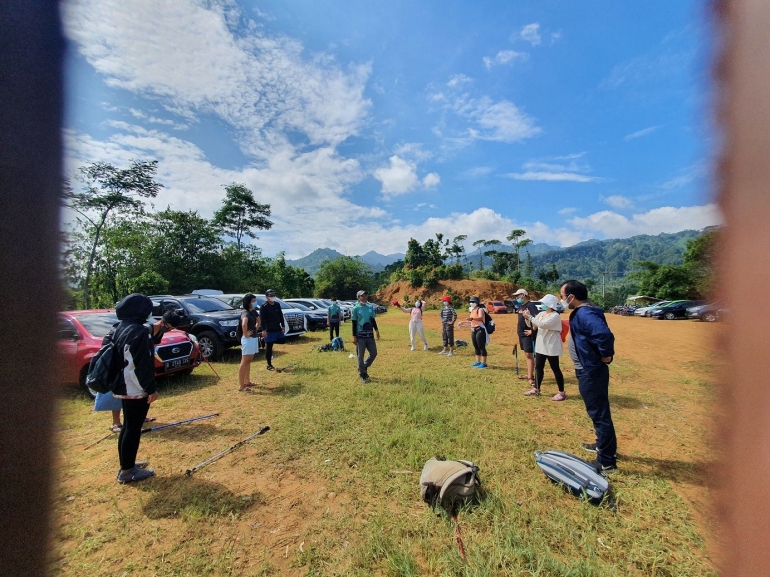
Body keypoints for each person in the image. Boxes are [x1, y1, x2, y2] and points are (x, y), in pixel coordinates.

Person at [560, 279, 618, 473]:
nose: (562, 300)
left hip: (591, 371)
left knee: (600, 414)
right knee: (597, 413)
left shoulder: (585, 312)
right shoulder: (584, 311)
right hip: (587, 368)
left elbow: (603, 335)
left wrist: (605, 355)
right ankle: (602, 445)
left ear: (572, 297)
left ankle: (607, 462)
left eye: (563, 296)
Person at [111, 293, 161, 484]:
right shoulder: (139, 332)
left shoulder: (122, 328)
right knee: (133, 428)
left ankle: (127, 463)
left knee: (128, 427)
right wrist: (151, 389)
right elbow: (141, 365)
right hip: (134, 386)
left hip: (124, 384)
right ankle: (128, 471)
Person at [522, 294, 566, 400]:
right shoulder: (541, 314)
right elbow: (533, 326)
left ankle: (561, 392)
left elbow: (543, 325)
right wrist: (527, 318)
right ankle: (536, 388)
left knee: (555, 368)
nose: (542, 304)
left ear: (549, 304)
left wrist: (530, 317)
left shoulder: (555, 315)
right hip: (541, 345)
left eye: (543, 303)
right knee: (539, 367)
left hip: (551, 345)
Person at [351, 289, 380, 383]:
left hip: (369, 335)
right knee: (360, 355)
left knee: (374, 353)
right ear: (358, 298)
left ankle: (364, 366)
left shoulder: (370, 307)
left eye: (365, 295)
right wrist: (354, 336)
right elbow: (354, 323)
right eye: (362, 296)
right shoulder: (355, 308)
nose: (364, 297)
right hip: (360, 336)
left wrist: (376, 330)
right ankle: (363, 374)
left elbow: (372, 320)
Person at [514, 288, 539, 386]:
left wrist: (532, 330)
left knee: (529, 355)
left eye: (517, 296)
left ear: (523, 295)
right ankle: (529, 374)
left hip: (528, 334)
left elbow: (537, 318)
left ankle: (530, 377)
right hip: (521, 334)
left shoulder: (531, 305)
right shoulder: (522, 306)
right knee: (526, 354)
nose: (516, 298)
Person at [238, 294, 260, 392]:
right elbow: (244, 324)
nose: (255, 303)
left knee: (249, 360)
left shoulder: (253, 311)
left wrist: (255, 328)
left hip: (254, 338)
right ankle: (241, 386)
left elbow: (259, 321)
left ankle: (247, 381)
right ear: (248, 302)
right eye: (253, 301)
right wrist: (246, 334)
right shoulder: (245, 312)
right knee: (244, 361)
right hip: (248, 340)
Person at [259, 289, 285, 371]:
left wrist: (283, 325)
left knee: (283, 340)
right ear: (267, 297)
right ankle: (269, 364)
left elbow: (280, 315)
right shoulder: (264, 306)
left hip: (277, 327)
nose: (273, 297)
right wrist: (263, 330)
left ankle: (264, 340)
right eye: (271, 295)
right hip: (268, 329)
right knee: (269, 347)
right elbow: (262, 319)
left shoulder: (277, 304)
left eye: (274, 295)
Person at [462, 296, 489, 368]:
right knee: (476, 346)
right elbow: (471, 321)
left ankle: (484, 363)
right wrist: (463, 322)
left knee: (481, 346)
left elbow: (480, 318)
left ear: (477, 303)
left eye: (473, 302)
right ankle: (477, 361)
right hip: (474, 329)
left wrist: (472, 318)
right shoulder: (472, 310)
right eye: (470, 302)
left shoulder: (480, 310)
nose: (471, 303)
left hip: (480, 329)